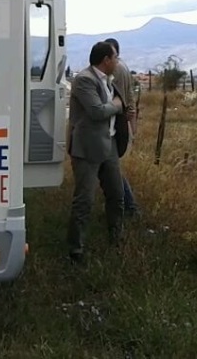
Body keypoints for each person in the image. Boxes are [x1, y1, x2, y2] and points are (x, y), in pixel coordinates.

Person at [66, 41, 133, 264]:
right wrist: (117, 104)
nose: (117, 61)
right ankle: (76, 250)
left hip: (109, 146)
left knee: (117, 195)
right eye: (115, 57)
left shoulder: (108, 81)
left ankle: (116, 238)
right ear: (106, 60)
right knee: (84, 200)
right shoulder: (84, 80)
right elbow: (96, 112)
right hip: (87, 149)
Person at [104, 38, 142, 218]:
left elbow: (112, 98)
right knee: (112, 169)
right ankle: (126, 207)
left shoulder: (115, 70)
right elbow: (131, 97)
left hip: (117, 122)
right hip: (124, 121)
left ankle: (129, 207)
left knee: (113, 171)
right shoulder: (124, 67)